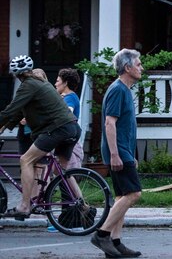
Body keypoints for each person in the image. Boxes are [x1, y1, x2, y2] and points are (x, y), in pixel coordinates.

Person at [0, 56, 80, 220]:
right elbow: (16, 115)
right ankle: (83, 205)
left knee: (26, 160)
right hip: (71, 128)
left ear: (17, 75)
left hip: (57, 129)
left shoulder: (28, 85)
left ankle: (24, 206)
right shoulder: (41, 84)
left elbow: (9, 111)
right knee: (62, 171)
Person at [90, 49, 144, 259]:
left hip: (123, 151)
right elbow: (109, 123)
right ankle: (102, 234)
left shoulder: (124, 90)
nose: (141, 68)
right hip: (118, 151)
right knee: (133, 194)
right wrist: (115, 154)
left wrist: (129, 154)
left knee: (123, 196)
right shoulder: (118, 90)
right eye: (138, 64)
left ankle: (115, 242)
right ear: (127, 68)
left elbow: (123, 127)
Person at [55, 68, 85, 169]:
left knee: (65, 172)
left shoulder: (70, 97)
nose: (55, 84)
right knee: (60, 171)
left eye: (58, 81)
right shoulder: (69, 96)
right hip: (68, 137)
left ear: (65, 83)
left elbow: (68, 111)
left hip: (67, 138)